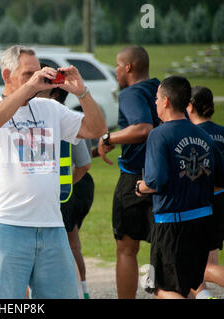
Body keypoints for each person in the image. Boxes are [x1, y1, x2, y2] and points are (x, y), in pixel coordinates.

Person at [0, 45, 107, 299]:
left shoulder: (50, 109)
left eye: (38, 73)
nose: (36, 79)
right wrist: (31, 87)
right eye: (28, 74)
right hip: (7, 225)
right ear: (6, 76)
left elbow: (96, 129)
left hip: (51, 225)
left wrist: (83, 93)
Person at [136, 76, 224, 299]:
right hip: (202, 222)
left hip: (172, 225)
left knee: (162, 288)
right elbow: (219, 180)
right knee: (189, 286)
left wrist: (141, 187)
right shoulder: (203, 134)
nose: (155, 103)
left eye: (156, 98)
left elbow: (157, 181)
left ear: (165, 101)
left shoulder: (159, 134)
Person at [97, 46, 160, 299]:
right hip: (164, 176)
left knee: (126, 248)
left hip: (136, 178)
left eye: (117, 66)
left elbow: (143, 128)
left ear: (129, 68)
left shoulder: (130, 93)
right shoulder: (159, 88)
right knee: (162, 246)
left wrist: (108, 136)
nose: (115, 71)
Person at [38, 86, 95, 299]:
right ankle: (83, 290)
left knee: (67, 244)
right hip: (73, 188)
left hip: (67, 191)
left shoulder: (62, 119)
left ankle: (78, 292)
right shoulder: (71, 117)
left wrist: (64, 184)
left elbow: (83, 164)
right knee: (73, 242)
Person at [187, 86, 224, 290]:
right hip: (221, 199)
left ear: (190, 106)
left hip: (203, 203)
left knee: (198, 266)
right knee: (209, 261)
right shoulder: (221, 131)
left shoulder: (194, 135)